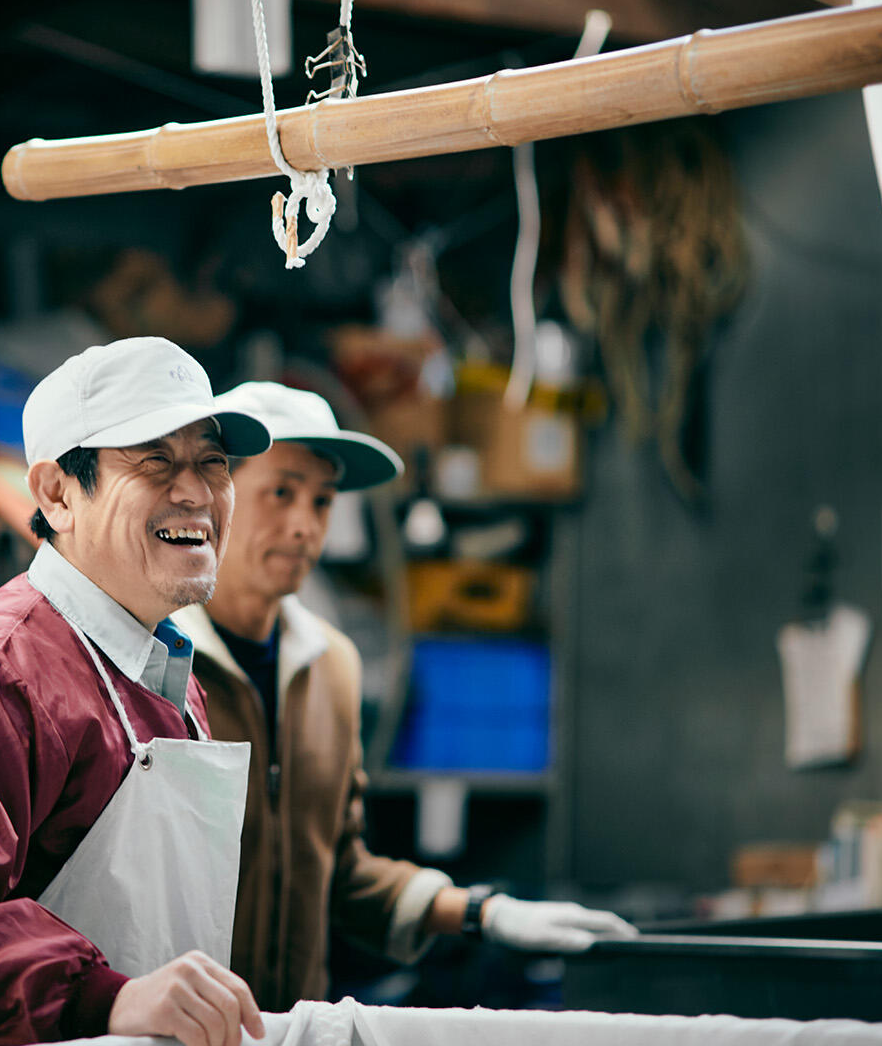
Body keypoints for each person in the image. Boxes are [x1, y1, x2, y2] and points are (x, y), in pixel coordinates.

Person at [0, 338, 274, 1046]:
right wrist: (108, 1001)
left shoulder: (166, 672)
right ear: (56, 493)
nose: (197, 492)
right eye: (155, 460)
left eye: (212, 461)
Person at [171, 381, 635, 1011]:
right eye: (280, 493)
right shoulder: (156, 659)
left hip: (291, 1034)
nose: (306, 526)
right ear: (214, 496)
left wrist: (483, 913)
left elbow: (340, 874)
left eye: (323, 501)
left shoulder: (330, 666)